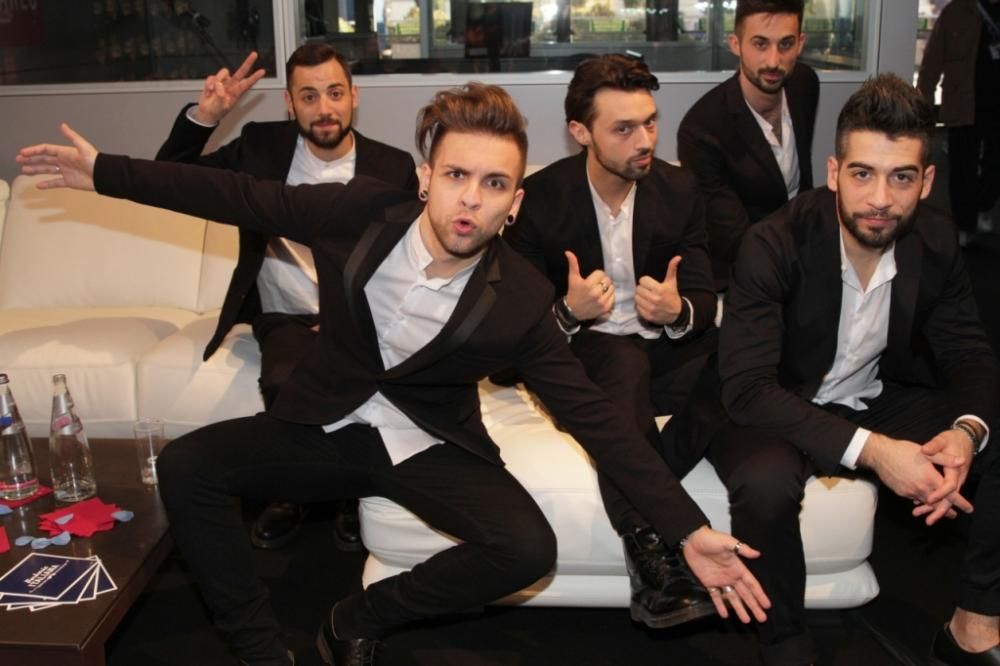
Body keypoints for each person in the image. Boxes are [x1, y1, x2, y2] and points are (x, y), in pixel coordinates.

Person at [19, 83, 770, 666]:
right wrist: (104, 173)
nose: (470, 199)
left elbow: (598, 419)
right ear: (424, 178)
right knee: (188, 466)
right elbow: (238, 195)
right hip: (327, 420)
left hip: (428, 441)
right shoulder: (361, 214)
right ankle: (260, 652)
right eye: (457, 175)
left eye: (494, 184)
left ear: (515, 203)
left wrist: (688, 529)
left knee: (527, 550)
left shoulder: (520, 299)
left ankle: (356, 618)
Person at [666, 74, 1000, 666]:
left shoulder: (935, 239)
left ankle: (974, 625)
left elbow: (969, 353)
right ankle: (784, 641)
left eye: (901, 178)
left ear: (926, 181)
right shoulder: (772, 243)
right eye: (863, 174)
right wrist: (877, 452)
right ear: (833, 172)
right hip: (771, 400)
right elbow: (748, 388)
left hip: (869, 394)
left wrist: (965, 432)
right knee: (765, 482)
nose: (880, 199)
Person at [156, 44, 419, 552]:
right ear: (289, 103)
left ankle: (349, 496)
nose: (325, 108)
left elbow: (406, 260)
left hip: (360, 316)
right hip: (286, 316)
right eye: (309, 96)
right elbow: (172, 181)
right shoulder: (261, 150)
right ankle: (292, 494)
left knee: (360, 384)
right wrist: (206, 117)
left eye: (335, 93)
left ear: (354, 96)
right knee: (283, 381)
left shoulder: (391, 166)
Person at [503, 54, 718, 629]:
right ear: (581, 132)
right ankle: (653, 554)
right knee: (623, 366)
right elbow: (512, 331)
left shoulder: (678, 188)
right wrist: (567, 313)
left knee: (743, 365)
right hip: (590, 353)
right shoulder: (539, 199)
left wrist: (677, 312)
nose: (644, 140)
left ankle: (639, 476)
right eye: (623, 129)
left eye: (649, 122)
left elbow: (703, 296)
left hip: (666, 353)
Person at [677, 0, 819, 286]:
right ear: (735, 44)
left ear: (801, 43)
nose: (773, 61)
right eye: (760, 44)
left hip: (804, 255)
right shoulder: (702, 129)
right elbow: (733, 238)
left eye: (786, 44)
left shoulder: (804, 84)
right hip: (741, 273)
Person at [917, 0, 1000, 246]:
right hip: (962, 105)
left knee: (995, 164)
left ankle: (982, 204)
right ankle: (965, 223)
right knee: (962, 165)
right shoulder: (956, 12)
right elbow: (932, 61)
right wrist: (923, 105)